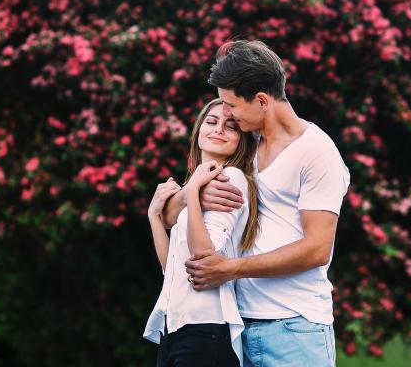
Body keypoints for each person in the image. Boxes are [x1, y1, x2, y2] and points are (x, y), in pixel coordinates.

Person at [162, 40, 350, 366]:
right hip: (236, 326)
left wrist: (230, 268)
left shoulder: (317, 152)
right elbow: (168, 216)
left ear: (262, 100)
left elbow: (318, 249)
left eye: (232, 106)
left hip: (294, 328)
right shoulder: (246, 147)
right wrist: (191, 193)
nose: (227, 114)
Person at [144, 98, 259, 367]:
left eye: (230, 126)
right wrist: (154, 216)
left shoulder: (231, 178)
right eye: (211, 122)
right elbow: (172, 266)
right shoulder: (196, 184)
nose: (218, 129)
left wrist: (192, 192)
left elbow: (203, 257)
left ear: (240, 141)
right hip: (174, 330)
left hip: (207, 330)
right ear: (198, 132)